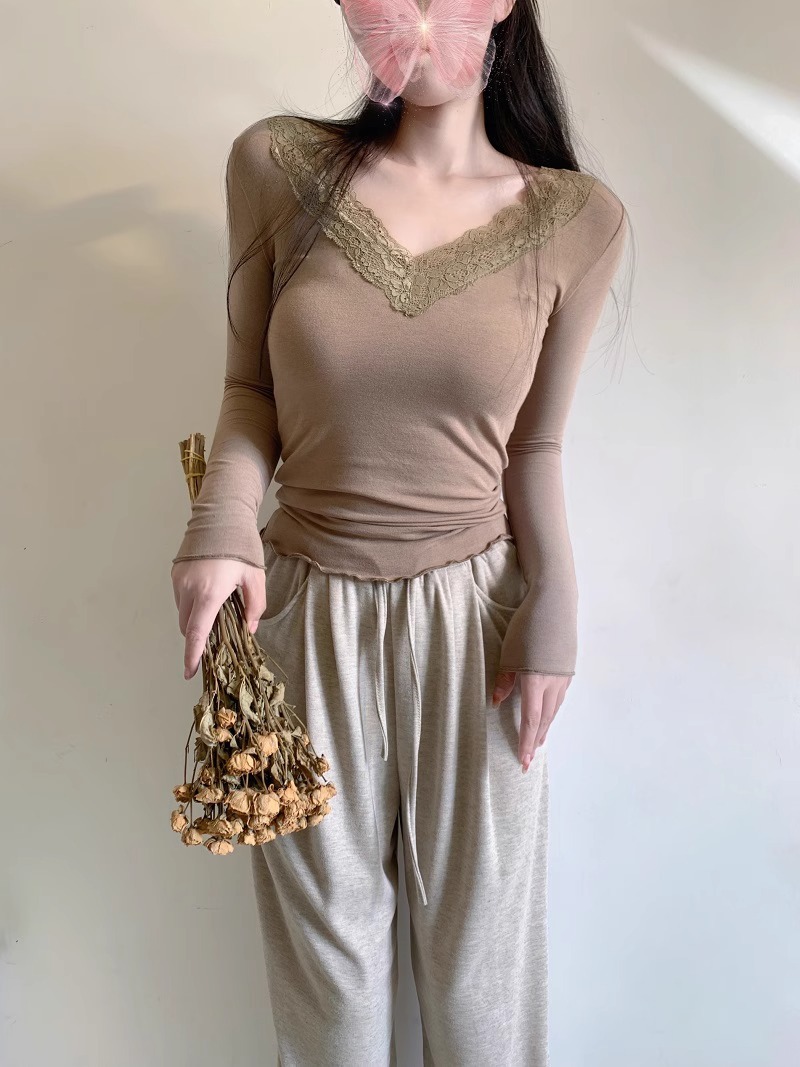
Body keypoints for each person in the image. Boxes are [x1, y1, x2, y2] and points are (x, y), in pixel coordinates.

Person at [171, 1, 629, 1063]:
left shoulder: (579, 219)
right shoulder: (276, 168)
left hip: (479, 628)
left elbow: (534, 446)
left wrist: (554, 605)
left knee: (480, 984)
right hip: (301, 615)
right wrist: (221, 522)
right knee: (327, 988)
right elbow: (249, 390)